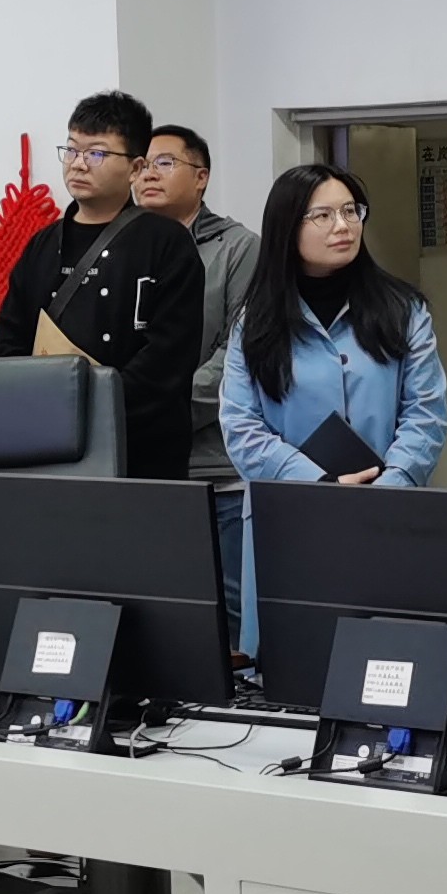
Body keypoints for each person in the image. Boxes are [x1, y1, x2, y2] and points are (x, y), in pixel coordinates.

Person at [0, 91, 206, 481]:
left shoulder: (166, 243)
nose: (78, 164)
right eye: (71, 150)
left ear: (135, 168)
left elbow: (169, 358)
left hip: (140, 450)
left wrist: (92, 406)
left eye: (97, 153)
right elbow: (9, 339)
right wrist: (37, 404)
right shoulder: (42, 244)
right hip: (46, 443)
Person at [222, 165, 447, 488]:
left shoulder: (402, 310)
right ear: (287, 227)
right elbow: (241, 425)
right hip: (290, 504)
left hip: (386, 502)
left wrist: (392, 484)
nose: (343, 226)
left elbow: (426, 413)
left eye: (350, 211)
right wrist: (319, 483)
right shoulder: (255, 321)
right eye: (323, 215)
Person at [138, 122, 259, 593]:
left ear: (201, 177)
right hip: (136, 464)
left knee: (228, 603)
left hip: (214, 465)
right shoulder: (122, 248)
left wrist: (156, 411)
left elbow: (239, 353)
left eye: (165, 163)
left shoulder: (237, 247)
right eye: (142, 165)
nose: (149, 174)